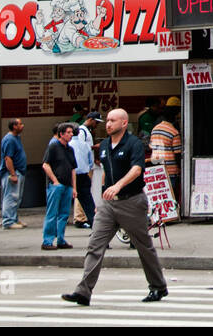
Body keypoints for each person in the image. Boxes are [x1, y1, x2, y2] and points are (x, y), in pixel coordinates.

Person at [62, 109, 169, 306]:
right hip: (109, 204)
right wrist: (103, 194)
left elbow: (137, 169)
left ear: (124, 123)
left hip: (132, 201)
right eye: (107, 120)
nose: (108, 124)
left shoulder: (134, 144)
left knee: (143, 246)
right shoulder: (103, 145)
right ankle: (83, 291)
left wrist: (118, 185)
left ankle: (158, 286)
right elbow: (104, 171)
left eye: (113, 120)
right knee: (95, 244)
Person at [41, 122, 76, 250]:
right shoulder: (54, 147)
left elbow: (73, 169)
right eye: (68, 132)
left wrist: (74, 187)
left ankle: (61, 239)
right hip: (57, 185)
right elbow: (45, 164)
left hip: (67, 185)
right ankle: (47, 241)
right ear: (61, 134)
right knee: (52, 213)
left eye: (71, 132)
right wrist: (55, 181)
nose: (71, 135)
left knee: (64, 214)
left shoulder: (70, 149)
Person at [149, 100, 183, 199]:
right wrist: (180, 169)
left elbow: (152, 147)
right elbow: (177, 154)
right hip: (170, 171)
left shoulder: (155, 129)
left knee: (159, 198)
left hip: (156, 168)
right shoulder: (174, 132)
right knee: (171, 197)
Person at [72, 111, 100, 229]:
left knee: (84, 193)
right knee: (81, 193)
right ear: (91, 119)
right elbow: (82, 149)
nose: (97, 125)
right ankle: (80, 217)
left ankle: (85, 217)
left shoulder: (86, 131)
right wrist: (95, 147)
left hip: (86, 166)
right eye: (96, 122)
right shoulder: (82, 131)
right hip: (82, 168)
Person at [0, 118, 28, 229]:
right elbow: (8, 158)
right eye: (20, 124)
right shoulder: (10, 139)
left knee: (16, 197)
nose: (22, 125)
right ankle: (8, 221)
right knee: (10, 196)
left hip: (18, 171)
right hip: (12, 172)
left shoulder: (16, 138)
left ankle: (14, 218)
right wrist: (12, 174)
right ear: (14, 126)